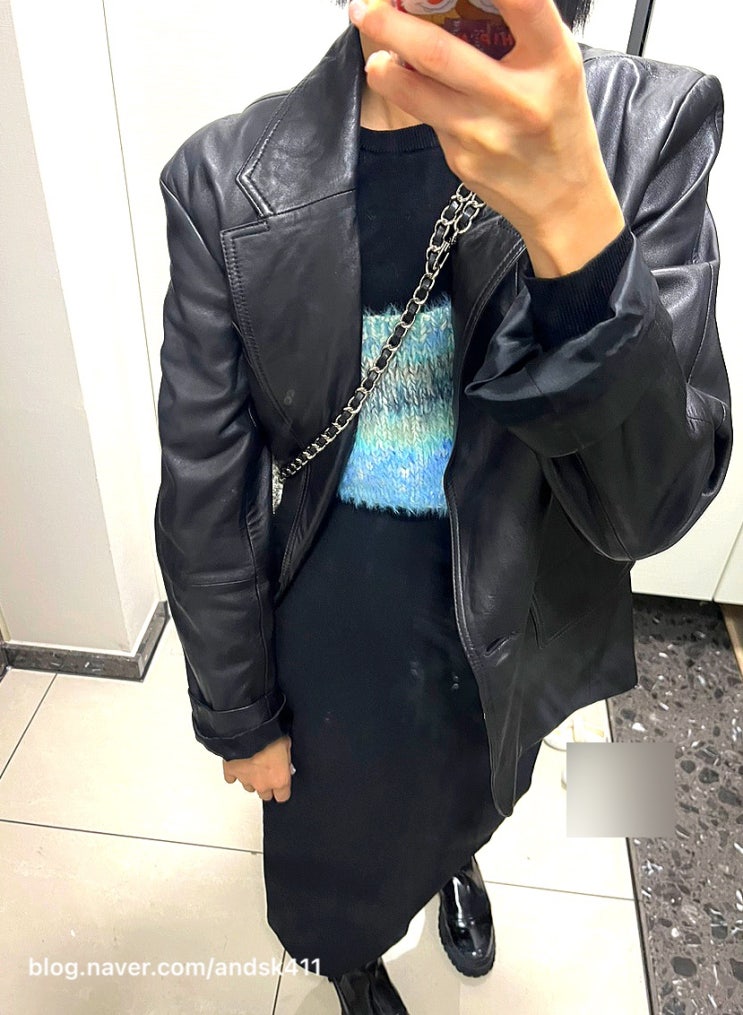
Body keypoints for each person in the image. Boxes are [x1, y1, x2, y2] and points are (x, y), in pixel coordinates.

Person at [153, 1, 732, 1012]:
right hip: (334, 603)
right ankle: (351, 960)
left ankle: (455, 859)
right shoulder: (222, 177)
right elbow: (205, 480)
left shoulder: (639, 127)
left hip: (517, 592)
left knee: (478, 783)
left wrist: (576, 232)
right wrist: (237, 712)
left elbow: (646, 511)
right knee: (332, 846)